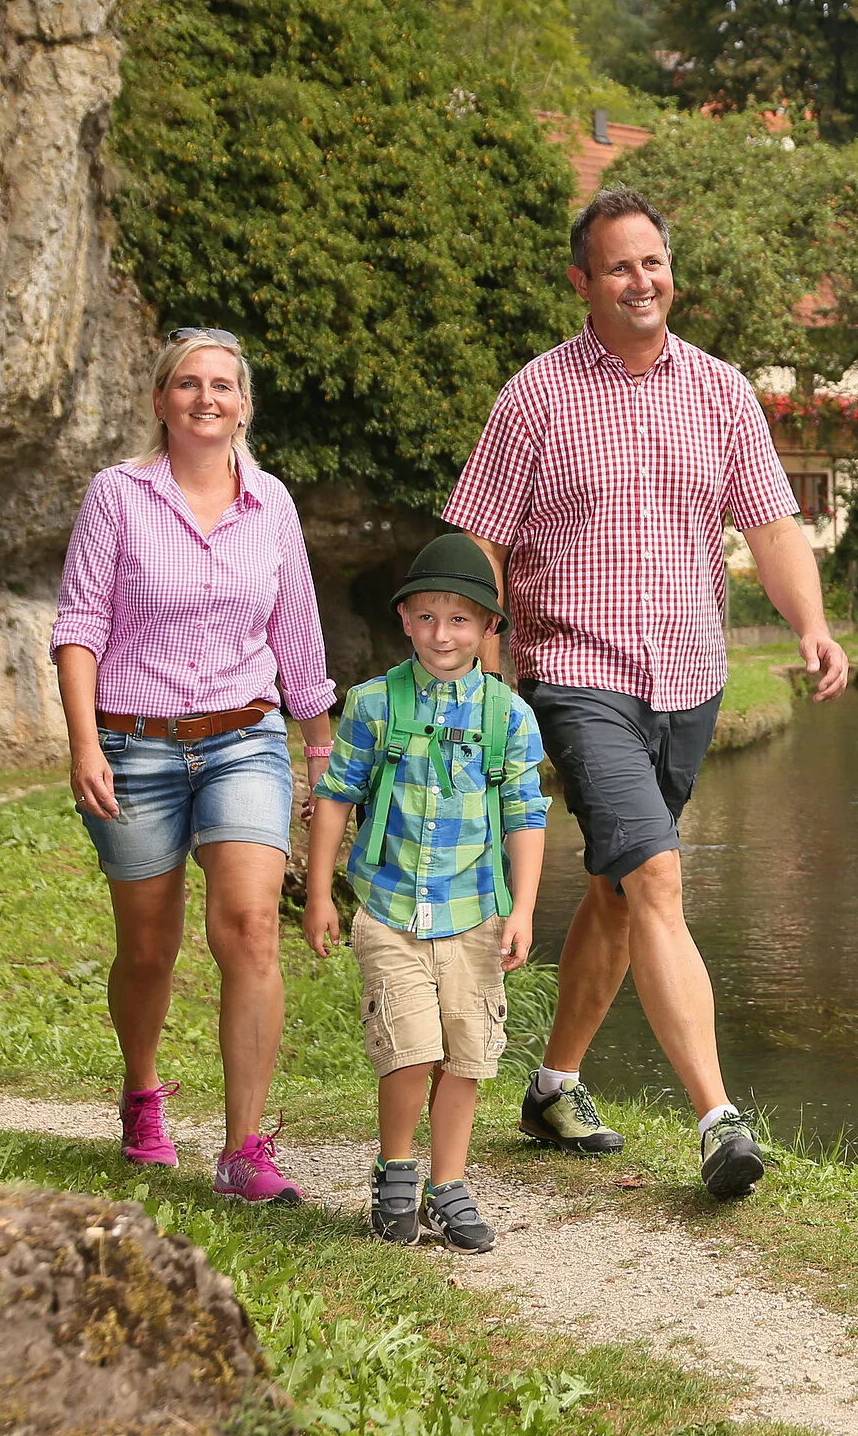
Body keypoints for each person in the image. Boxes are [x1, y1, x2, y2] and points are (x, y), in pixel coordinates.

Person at [444, 187, 848, 1200]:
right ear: (583, 282)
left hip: (690, 680)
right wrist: (483, 652)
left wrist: (811, 625)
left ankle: (552, 1084)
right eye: (619, 266)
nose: (641, 280)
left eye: (653, 263)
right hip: (577, 674)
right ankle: (718, 1119)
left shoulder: (720, 391)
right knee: (658, 877)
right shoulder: (534, 395)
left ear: (673, 273)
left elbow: (771, 525)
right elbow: (479, 534)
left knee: (624, 893)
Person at [52, 327, 335, 1205]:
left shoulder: (274, 505)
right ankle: (143, 1097)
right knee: (148, 950)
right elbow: (79, 625)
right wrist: (84, 742)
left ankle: (245, 1147)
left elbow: (297, 634)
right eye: (187, 384)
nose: (205, 397)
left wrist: (319, 749)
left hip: (243, 738)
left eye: (222, 385)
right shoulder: (117, 497)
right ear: (160, 401)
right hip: (133, 743)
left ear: (243, 404)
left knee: (250, 926)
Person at [298, 532, 548, 1252]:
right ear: (405, 619)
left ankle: (448, 1185)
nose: (443, 633)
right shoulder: (374, 706)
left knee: (466, 1055)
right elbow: (337, 796)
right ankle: (396, 1169)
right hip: (389, 911)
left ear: (489, 630)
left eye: (462, 619)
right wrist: (321, 895)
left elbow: (525, 815)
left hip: (476, 913)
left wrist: (522, 908)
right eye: (428, 617)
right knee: (409, 1049)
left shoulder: (508, 717)